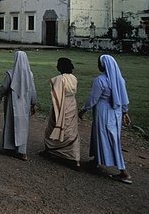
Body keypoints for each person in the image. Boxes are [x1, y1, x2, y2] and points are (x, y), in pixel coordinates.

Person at [78, 54, 132, 184]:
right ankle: (97, 159)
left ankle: (124, 172)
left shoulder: (100, 80)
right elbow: (123, 98)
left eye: (99, 63)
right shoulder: (120, 80)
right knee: (107, 137)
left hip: (104, 113)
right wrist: (125, 112)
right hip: (116, 113)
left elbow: (93, 99)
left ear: (103, 66)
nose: (98, 65)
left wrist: (84, 109)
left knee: (109, 139)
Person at [0, 51, 38, 160]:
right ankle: (21, 150)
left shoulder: (10, 73)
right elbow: (33, 90)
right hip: (25, 104)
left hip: (12, 103)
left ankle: (9, 147)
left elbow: (4, 87)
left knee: (11, 123)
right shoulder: (30, 74)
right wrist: (33, 103)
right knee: (23, 126)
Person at [41, 58, 81, 170]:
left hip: (61, 105)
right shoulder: (73, 78)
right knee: (71, 131)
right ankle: (74, 157)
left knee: (53, 128)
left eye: (58, 65)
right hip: (72, 105)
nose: (57, 66)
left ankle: (51, 150)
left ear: (61, 67)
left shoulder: (59, 79)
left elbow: (56, 95)